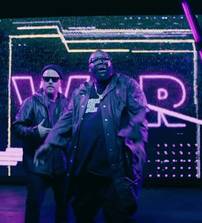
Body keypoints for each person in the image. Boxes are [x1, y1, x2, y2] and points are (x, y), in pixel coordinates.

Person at [34, 50, 149, 223]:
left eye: (105, 59)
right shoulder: (82, 92)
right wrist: (49, 144)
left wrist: (134, 143)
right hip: (84, 173)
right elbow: (66, 119)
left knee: (119, 217)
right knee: (82, 216)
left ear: (111, 63)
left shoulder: (126, 85)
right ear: (90, 67)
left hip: (114, 171)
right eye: (96, 60)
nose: (101, 62)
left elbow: (139, 113)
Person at [12, 64, 70, 223]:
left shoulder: (68, 104)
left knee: (63, 207)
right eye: (46, 79)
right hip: (37, 166)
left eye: (54, 79)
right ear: (42, 81)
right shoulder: (31, 102)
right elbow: (16, 127)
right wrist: (34, 131)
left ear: (60, 82)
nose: (50, 82)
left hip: (61, 166)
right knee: (33, 206)